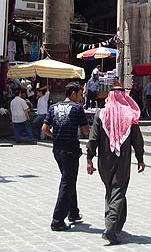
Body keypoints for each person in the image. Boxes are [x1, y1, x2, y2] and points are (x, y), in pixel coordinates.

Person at [86, 87, 145, 245]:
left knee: (112, 190)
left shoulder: (101, 114)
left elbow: (93, 138)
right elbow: (137, 140)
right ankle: (111, 228)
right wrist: (140, 158)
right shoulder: (130, 114)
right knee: (118, 189)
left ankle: (117, 223)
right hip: (122, 159)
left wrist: (89, 158)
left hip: (104, 159)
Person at [42, 82, 89, 231]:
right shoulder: (77, 108)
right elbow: (86, 130)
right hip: (71, 148)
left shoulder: (53, 107)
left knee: (68, 178)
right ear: (73, 93)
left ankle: (73, 212)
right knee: (67, 182)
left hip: (57, 149)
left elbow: (44, 128)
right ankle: (57, 220)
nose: (81, 97)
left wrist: (55, 135)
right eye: (80, 94)